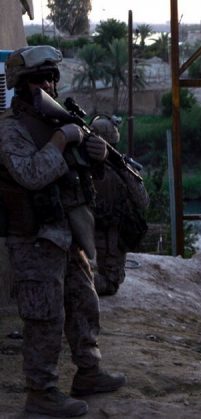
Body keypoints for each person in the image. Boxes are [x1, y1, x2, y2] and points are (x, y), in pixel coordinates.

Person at [0, 45, 126, 417]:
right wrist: (61, 140)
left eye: (53, 78)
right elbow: (31, 175)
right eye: (41, 79)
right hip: (35, 238)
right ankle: (41, 393)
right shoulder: (11, 129)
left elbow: (79, 175)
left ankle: (88, 371)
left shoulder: (56, 120)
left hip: (66, 233)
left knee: (83, 304)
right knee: (44, 317)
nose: (50, 85)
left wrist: (95, 152)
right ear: (22, 86)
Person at [90, 116, 149, 296]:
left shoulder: (120, 168)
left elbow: (142, 201)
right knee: (107, 283)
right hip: (99, 238)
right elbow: (143, 202)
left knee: (108, 283)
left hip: (109, 239)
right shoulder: (120, 169)